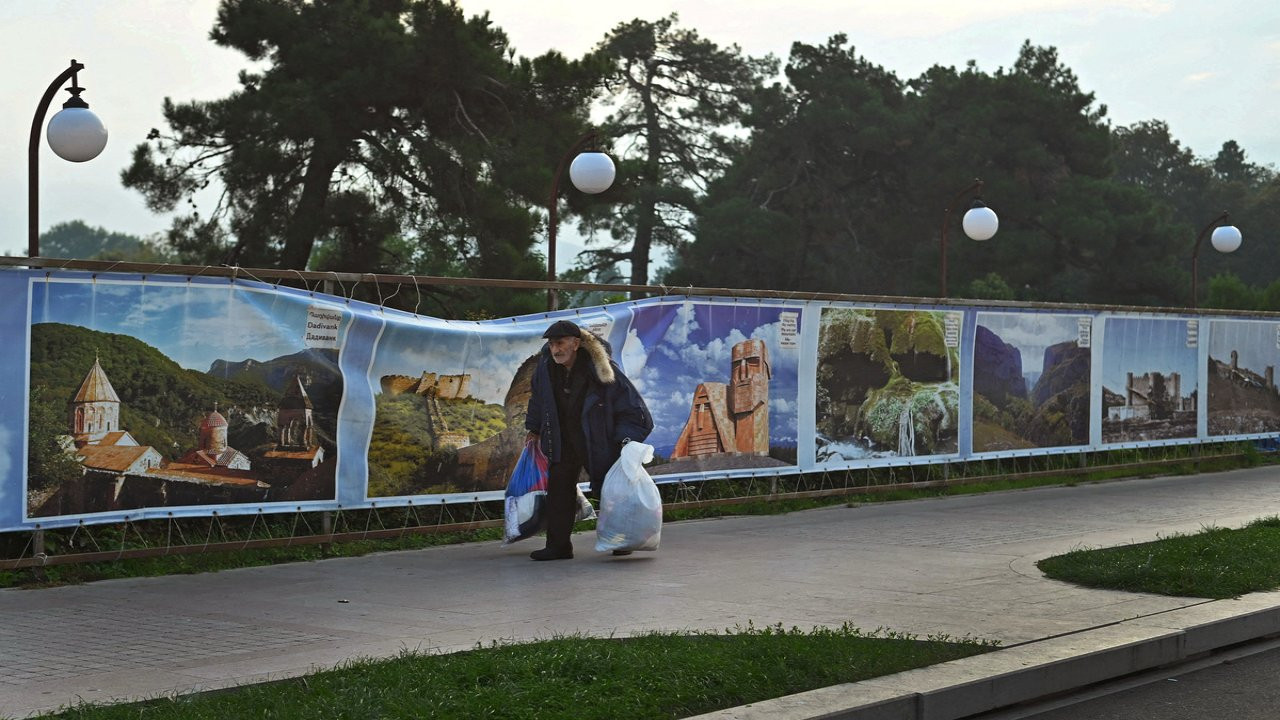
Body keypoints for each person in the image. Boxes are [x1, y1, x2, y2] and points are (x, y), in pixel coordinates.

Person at [524, 320, 652, 560]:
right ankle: (558, 547)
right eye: (551, 344)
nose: (555, 349)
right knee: (559, 492)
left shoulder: (601, 369)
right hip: (562, 440)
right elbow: (538, 400)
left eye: (560, 343)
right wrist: (533, 428)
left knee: (610, 491)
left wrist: (624, 440)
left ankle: (621, 539)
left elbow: (634, 409)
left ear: (576, 343)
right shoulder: (545, 369)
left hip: (599, 440)